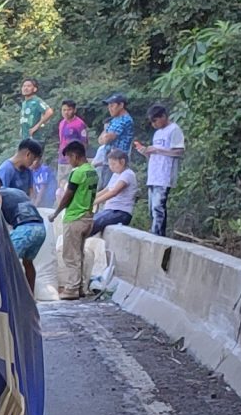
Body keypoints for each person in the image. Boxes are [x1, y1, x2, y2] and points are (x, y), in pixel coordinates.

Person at [50, 139, 99, 299]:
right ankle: (81, 287)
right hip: (88, 217)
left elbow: (68, 195)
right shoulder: (92, 171)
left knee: (70, 255)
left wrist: (56, 212)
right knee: (79, 254)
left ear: (75, 155)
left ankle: (71, 289)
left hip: (75, 217)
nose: (69, 162)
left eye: (69, 158)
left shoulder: (77, 173)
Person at [86, 145, 139, 285]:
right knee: (91, 221)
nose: (111, 167)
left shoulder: (127, 174)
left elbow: (114, 192)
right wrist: (89, 200)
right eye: (109, 164)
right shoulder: (116, 175)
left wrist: (93, 203)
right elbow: (106, 190)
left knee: (94, 224)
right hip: (109, 210)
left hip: (121, 212)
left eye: (113, 163)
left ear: (122, 162)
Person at [135, 102, 185, 238]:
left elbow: (179, 151)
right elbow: (156, 153)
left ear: (163, 116)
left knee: (158, 206)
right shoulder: (157, 133)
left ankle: (157, 235)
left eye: (155, 121)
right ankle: (155, 232)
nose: (154, 124)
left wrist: (157, 149)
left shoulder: (174, 129)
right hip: (154, 174)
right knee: (152, 208)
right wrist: (145, 151)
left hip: (165, 174)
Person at [0, 170, 46, 288]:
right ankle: (31, 296)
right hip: (40, 228)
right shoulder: (18, 192)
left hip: (25, 230)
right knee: (28, 262)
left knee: (6, 261)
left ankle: (12, 296)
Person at [17, 78, 55, 203]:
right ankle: (27, 197)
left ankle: (36, 200)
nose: (25, 88)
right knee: (24, 168)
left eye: (29, 86)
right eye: (24, 86)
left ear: (35, 89)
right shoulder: (24, 103)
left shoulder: (37, 101)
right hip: (25, 139)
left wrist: (37, 126)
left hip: (35, 139)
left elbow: (49, 112)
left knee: (32, 167)